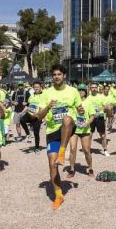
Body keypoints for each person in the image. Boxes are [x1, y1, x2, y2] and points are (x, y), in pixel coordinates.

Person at [35, 64, 83, 210]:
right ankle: (58, 195)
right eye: (54, 74)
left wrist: (80, 110)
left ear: (64, 76)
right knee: (51, 163)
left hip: (68, 127)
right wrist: (48, 107)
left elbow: (79, 110)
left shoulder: (73, 91)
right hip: (52, 130)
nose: (56, 77)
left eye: (59, 74)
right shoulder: (46, 93)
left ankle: (62, 152)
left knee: (67, 119)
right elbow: (39, 116)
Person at [67, 84, 95, 178]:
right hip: (74, 129)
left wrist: (87, 123)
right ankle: (71, 169)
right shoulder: (73, 102)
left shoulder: (88, 102)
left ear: (86, 92)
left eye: (83, 90)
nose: (81, 91)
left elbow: (92, 116)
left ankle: (90, 168)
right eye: (79, 89)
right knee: (72, 149)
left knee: (86, 150)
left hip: (85, 129)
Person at [25, 82, 44, 151]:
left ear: (40, 87)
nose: (36, 88)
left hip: (38, 116)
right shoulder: (32, 95)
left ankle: (37, 147)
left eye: (37, 87)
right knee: (21, 119)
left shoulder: (44, 94)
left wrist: (43, 116)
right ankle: (28, 133)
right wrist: (23, 112)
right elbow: (29, 105)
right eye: (35, 87)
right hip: (30, 114)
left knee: (36, 133)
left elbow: (45, 107)